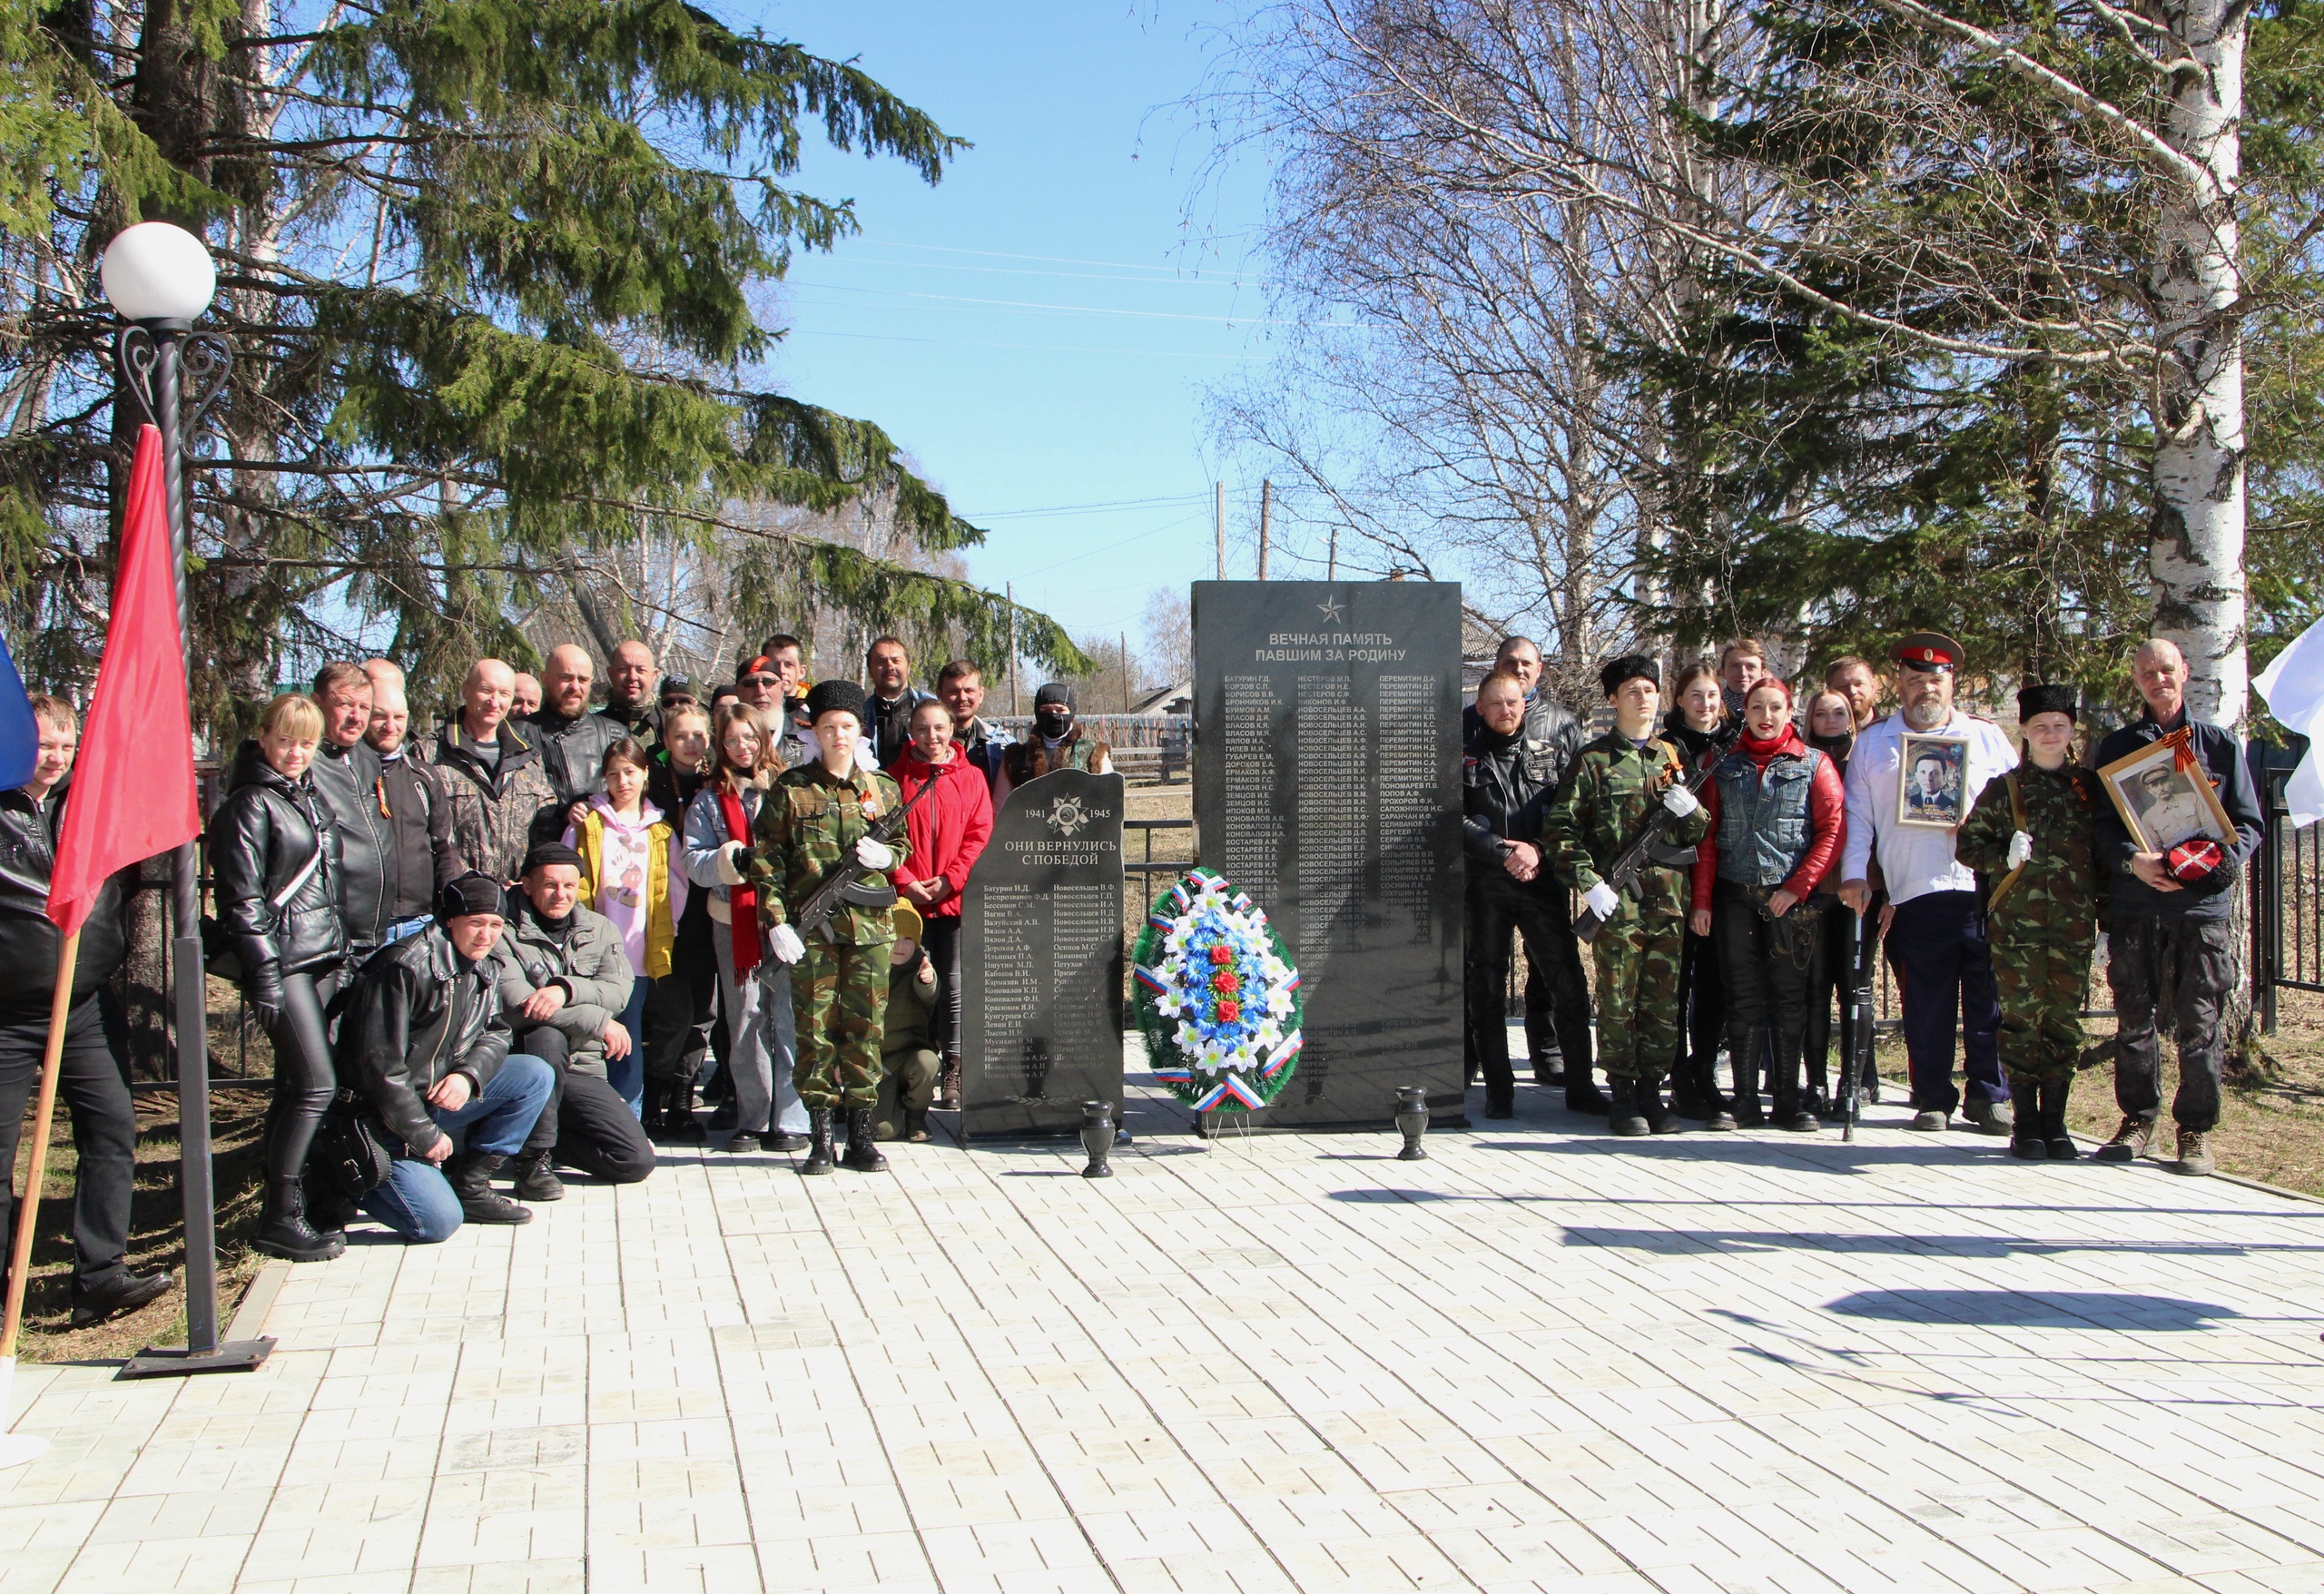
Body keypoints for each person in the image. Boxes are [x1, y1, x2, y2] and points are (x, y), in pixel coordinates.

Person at [0, 696, 171, 1326]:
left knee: (112, 1129)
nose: (56, 757)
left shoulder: (87, 804)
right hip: (8, 1016)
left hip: (83, 1005)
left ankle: (99, 1276)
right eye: (45, 744)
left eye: (67, 746)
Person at [2089, 638, 2264, 1176]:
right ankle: (2137, 1120)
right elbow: (2100, 827)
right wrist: (2131, 862)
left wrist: (2209, 866)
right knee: (2133, 1016)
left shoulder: (2219, 745)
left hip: (2199, 909)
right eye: (2146, 673)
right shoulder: (2118, 749)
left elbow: (2248, 825)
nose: (2157, 679)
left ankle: (2195, 1131)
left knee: (2199, 1019)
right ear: (2137, 680)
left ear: (2184, 672)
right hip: (2136, 905)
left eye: (2166, 669)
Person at [1838, 633, 2020, 1133]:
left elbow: (2019, 809)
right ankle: (1934, 1096)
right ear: (1898, 683)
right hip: (1913, 891)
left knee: (1987, 999)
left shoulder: (1985, 738)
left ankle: (1990, 1094)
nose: (1926, 689)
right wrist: (1855, 875)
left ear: (1951, 683)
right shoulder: (1875, 744)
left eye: (1934, 680)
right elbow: (1858, 818)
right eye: (1915, 680)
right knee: (1926, 1001)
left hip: (1981, 888)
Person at [751, 679, 913, 1174]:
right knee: (815, 1032)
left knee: (866, 1030)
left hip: (870, 931)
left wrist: (888, 856)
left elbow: (904, 846)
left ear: (858, 730)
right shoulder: (791, 789)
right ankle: (821, 1135)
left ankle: (860, 1136)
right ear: (814, 732)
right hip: (812, 934)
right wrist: (776, 922)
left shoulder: (882, 788)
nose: (838, 735)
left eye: (846, 726)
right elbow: (767, 861)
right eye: (828, 727)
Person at [209, 693, 350, 1262]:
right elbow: (242, 901)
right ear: (264, 737)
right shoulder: (251, 804)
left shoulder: (306, 797)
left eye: (308, 742)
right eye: (287, 740)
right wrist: (264, 973)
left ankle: (294, 1200)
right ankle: (279, 1216)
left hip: (319, 955)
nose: (297, 752)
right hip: (284, 960)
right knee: (317, 1084)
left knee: (298, 1087)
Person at [337, 873, 555, 1239]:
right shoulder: (405, 966)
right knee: (436, 1223)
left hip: (436, 1095)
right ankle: (347, 1180)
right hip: (380, 1118)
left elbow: (497, 1031)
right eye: (476, 924)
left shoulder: (485, 965)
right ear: (449, 920)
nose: (486, 935)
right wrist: (425, 1137)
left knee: (534, 1073)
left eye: (496, 925)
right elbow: (380, 1071)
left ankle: (472, 1185)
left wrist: (467, 1076)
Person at [1544, 654, 1709, 1136]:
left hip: (1669, 901)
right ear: (1613, 699)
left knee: (1663, 999)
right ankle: (1623, 1094)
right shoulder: (1593, 761)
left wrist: (1691, 809)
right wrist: (1590, 882)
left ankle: (1653, 1091)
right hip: (1619, 902)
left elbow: (1695, 834)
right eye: (1633, 690)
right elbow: (1560, 829)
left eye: (1650, 690)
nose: (1643, 698)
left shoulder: (1672, 756)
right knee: (1618, 997)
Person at [1689, 679, 1846, 1132]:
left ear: (1789, 710)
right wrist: (1703, 901)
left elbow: (1831, 831)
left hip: (1790, 902)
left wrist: (1797, 887)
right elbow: (1708, 837)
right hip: (1734, 895)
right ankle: (1743, 1099)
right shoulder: (1723, 765)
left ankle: (1786, 1098)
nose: (1766, 715)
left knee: (1789, 998)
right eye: (1757, 707)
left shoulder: (1814, 764)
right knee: (1742, 999)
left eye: (1775, 707)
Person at [1955, 684, 2102, 1161]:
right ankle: (2026, 1123)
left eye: (2059, 726)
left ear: (2072, 730)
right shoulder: (2006, 789)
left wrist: (2111, 923)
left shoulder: (2090, 791)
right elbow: (1968, 846)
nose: (2050, 734)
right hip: (2016, 929)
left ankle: (2056, 1123)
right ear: (2025, 731)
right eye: (2041, 726)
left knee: (2062, 1022)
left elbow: (2110, 853)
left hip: (2073, 927)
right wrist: (2003, 855)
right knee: (2020, 1023)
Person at [1462, 670, 1596, 1119]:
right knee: (1486, 987)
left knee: (1568, 981)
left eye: (1513, 702)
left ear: (1526, 704)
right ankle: (1500, 1090)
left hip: (1542, 879)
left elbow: (1566, 812)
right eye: (1495, 703)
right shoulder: (1462, 758)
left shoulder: (1550, 754)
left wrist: (1536, 850)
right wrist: (1503, 852)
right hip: (1486, 883)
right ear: (1480, 708)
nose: (1505, 710)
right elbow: (1451, 818)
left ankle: (1581, 1086)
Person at [684, 704, 809, 1154]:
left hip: (784, 922)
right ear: (721, 745)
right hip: (732, 920)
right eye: (732, 740)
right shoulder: (707, 799)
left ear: (763, 740)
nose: (742, 748)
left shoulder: (788, 788)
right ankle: (754, 1115)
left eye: (749, 738)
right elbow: (692, 862)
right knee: (745, 1018)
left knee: (787, 1016)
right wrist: (727, 862)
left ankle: (792, 1117)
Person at [497, 844, 655, 1191]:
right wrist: (598, 1023)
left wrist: (565, 990)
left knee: (635, 1160)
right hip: (521, 1065)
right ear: (527, 885)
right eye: (551, 885)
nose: (561, 894)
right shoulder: (503, 931)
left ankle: (530, 1137)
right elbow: (519, 1003)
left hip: (581, 1065)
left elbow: (617, 992)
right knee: (544, 1035)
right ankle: (532, 1161)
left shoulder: (601, 930)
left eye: (569, 886)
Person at [562, 739, 688, 1119]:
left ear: (645, 774)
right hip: (595, 951)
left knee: (628, 1033)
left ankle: (627, 1119)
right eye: (614, 773)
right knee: (593, 1038)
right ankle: (589, 1118)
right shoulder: (589, 824)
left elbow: (677, 886)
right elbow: (570, 874)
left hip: (640, 950)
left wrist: (669, 929)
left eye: (630, 771)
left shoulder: (660, 832)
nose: (622, 781)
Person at [888, 697, 995, 1112]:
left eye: (939, 728)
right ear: (911, 733)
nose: (932, 737)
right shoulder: (894, 778)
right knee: (908, 988)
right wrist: (906, 881)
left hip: (953, 902)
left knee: (952, 986)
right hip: (907, 902)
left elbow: (978, 836)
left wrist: (951, 879)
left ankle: (954, 1066)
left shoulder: (970, 779)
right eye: (922, 729)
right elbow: (884, 837)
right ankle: (908, 1069)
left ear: (952, 730)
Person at [1660, 663, 1729, 1119]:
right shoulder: (1666, 747)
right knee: (1676, 979)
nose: (1705, 704)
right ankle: (1678, 1073)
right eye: (1696, 695)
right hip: (1675, 876)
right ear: (1680, 699)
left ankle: (1704, 1068)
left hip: (1724, 875)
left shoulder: (1735, 744)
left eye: (1712, 695)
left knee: (1714, 982)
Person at [1801, 687, 1870, 1113]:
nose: (1830, 720)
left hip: (1857, 886)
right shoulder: (1800, 760)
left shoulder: (1865, 762)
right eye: (1821, 713)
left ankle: (1853, 1082)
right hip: (1811, 887)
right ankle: (1817, 1083)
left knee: (1855, 988)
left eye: (1839, 713)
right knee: (1814, 989)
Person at [434, 658, 560, 882]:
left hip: (517, 899)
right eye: (486, 690)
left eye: (503, 694)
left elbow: (545, 827)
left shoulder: (528, 759)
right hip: (457, 900)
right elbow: (427, 836)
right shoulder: (431, 753)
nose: (494, 701)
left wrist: (531, 878)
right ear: (466, 690)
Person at [306, 662, 394, 964]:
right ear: (317, 703)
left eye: (364, 707)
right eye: (345, 705)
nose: (357, 716)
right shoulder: (301, 761)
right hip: (324, 938)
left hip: (375, 932)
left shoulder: (368, 758)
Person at [362, 672, 458, 943]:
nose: (390, 726)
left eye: (399, 717)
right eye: (380, 716)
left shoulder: (424, 776)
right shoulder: (345, 773)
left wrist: (453, 902)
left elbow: (444, 847)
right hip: (365, 926)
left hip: (420, 920)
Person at [529, 644, 625, 817]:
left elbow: (631, 801)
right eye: (566, 678)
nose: (574, 687)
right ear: (545, 679)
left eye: (582, 680)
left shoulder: (614, 734)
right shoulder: (519, 734)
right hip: (543, 842)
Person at [877, 902, 940, 1142]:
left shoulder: (921, 968)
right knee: (883, 1132)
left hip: (909, 1057)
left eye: (907, 939)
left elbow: (930, 993)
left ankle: (916, 1116)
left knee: (928, 1063)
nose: (900, 945)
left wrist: (928, 979)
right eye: (894, 936)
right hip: (878, 1062)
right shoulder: (870, 966)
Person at [998, 683, 1113, 798]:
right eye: (1045, 710)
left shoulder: (1094, 753)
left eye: (1060, 710)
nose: (1053, 715)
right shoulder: (1014, 757)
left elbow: (1109, 800)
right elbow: (1001, 807)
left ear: (1072, 711)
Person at [937, 658, 1011, 794]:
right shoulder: (927, 744)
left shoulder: (1002, 746)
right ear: (939, 694)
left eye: (969, 691)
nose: (962, 697)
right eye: (953, 691)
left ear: (981, 695)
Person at [864, 635, 935, 767]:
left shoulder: (932, 708)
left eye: (896, 661)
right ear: (870, 671)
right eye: (880, 661)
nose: (889, 667)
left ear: (908, 667)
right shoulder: (860, 715)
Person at [603, 640, 659, 740]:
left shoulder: (668, 726)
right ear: (610, 673)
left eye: (641, 670)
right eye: (624, 669)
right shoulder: (592, 728)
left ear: (654, 675)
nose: (632, 677)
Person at [1827, 656, 1886, 732]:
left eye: (1859, 684)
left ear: (1873, 686)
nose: (1852, 691)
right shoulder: (1818, 739)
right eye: (1843, 686)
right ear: (1829, 690)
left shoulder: (1895, 734)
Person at [1719, 638, 1769, 718]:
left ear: (1763, 673)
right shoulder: (1711, 710)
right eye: (1735, 666)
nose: (1743, 673)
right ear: (1723, 672)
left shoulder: (1773, 710)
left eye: (1751, 667)